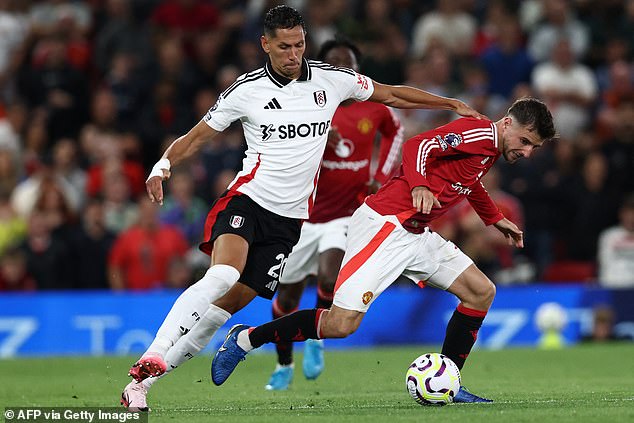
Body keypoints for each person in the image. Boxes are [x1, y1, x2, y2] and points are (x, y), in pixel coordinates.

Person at [120, 5, 483, 411]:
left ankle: (141, 385)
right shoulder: (246, 90)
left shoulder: (332, 80)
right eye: (284, 47)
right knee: (222, 274)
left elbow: (391, 93)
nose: (293, 54)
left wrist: (449, 103)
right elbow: (198, 136)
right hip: (248, 200)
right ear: (265, 45)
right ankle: (153, 349)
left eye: (299, 44)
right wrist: (163, 164)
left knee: (220, 312)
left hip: (289, 221)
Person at [211, 97, 557, 403]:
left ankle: (448, 381)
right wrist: (420, 185)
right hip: (386, 224)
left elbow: (469, 182)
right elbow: (418, 146)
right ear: (507, 123)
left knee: (481, 292)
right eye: (525, 141)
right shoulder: (481, 133)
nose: (527, 152)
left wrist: (495, 218)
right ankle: (245, 339)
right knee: (341, 324)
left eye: (534, 148)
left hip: (417, 233)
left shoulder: (489, 150)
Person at [265, 38, 404, 391]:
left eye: (349, 63)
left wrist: (380, 176)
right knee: (287, 299)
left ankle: (316, 339)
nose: (343, 69)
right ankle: (283, 365)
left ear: (357, 70)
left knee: (329, 278)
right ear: (322, 68)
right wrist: (312, 144)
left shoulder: (374, 108)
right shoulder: (305, 104)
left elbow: (396, 131)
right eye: (334, 63)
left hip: (346, 214)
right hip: (301, 217)